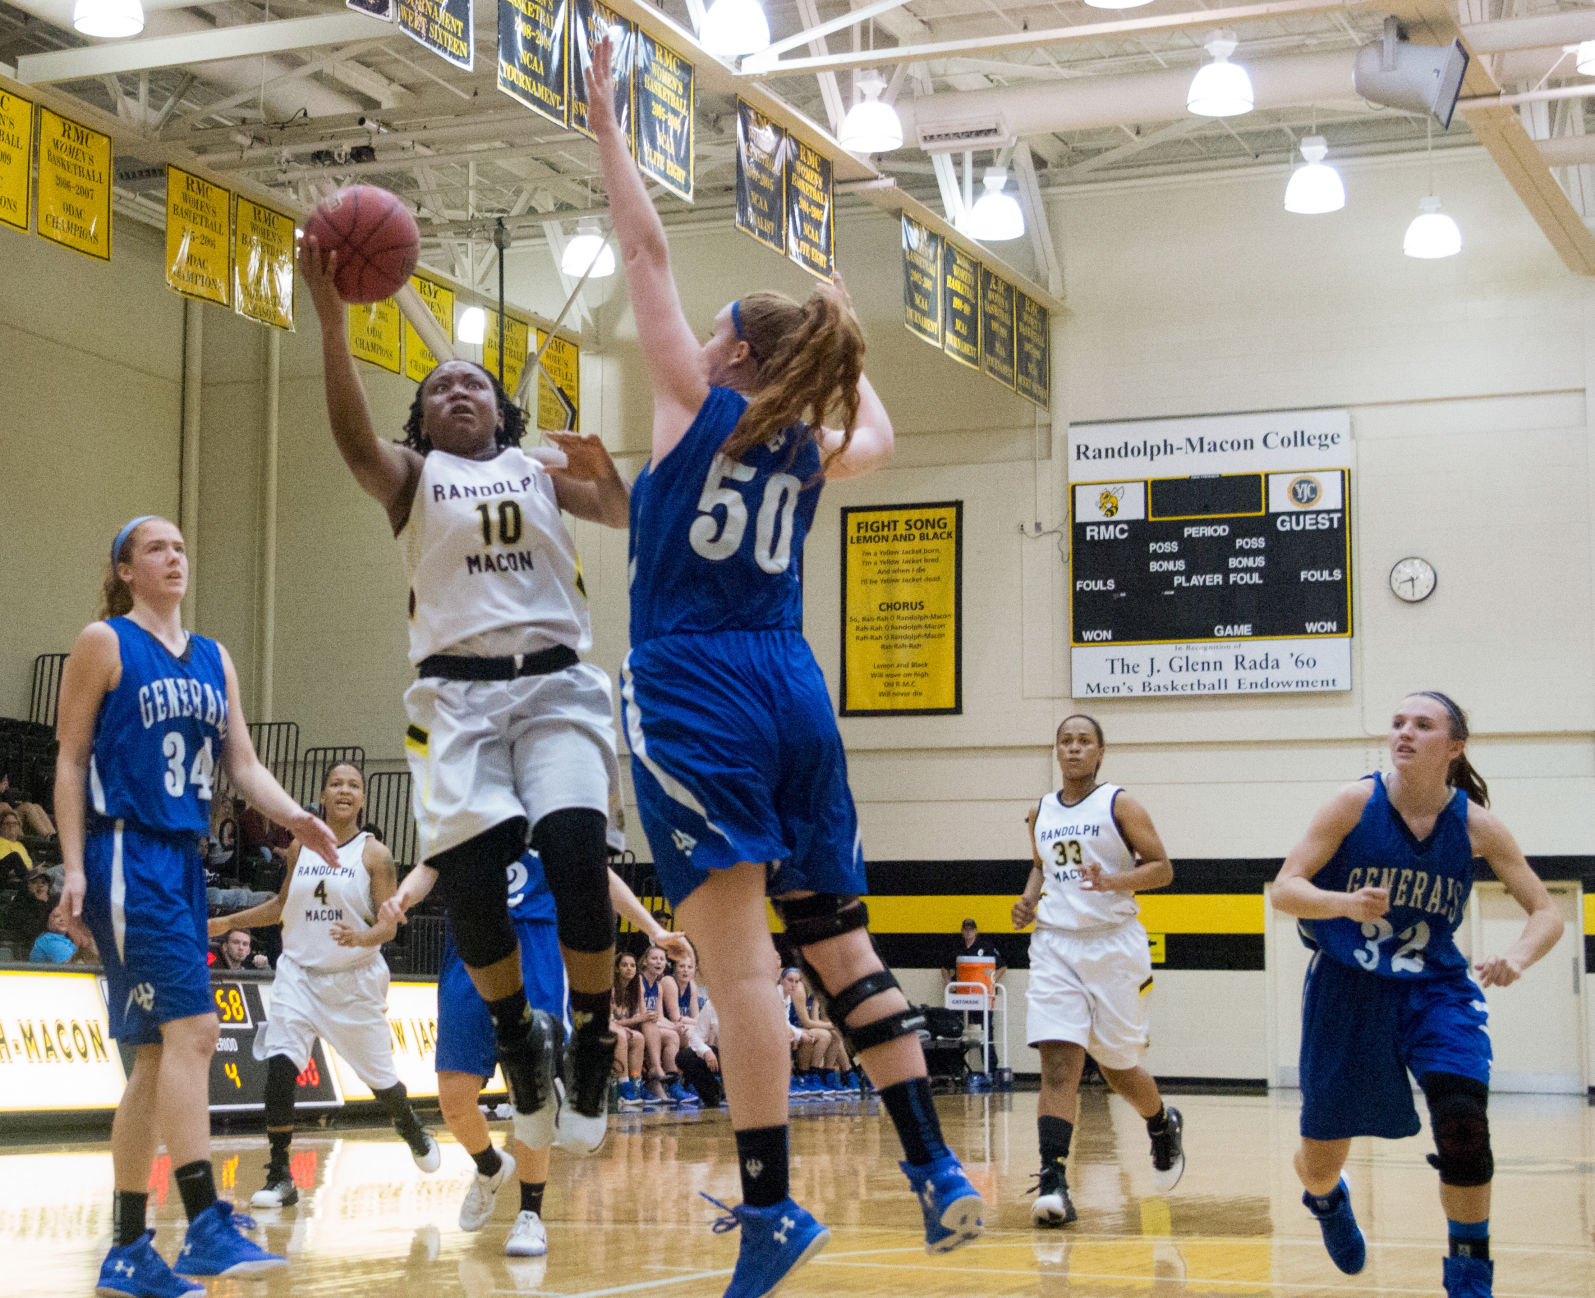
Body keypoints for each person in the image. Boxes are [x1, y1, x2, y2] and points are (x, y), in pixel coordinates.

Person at [586, 36, 981, 1295]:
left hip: (697, 683)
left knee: (740, 964)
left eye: (711, 337)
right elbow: (877, 421)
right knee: (839, 945)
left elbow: (643, 252)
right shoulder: (810, 448)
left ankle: (769, 1209)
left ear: (735, 360)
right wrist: (841, 323)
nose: (691, 343)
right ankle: (934, 1165)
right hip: (793, 686)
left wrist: (603, 118)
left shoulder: (692, 409)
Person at [299, 235, 632, 1161]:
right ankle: (519, 1040)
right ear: (423, 417)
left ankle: (595, 1037)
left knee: (572, 848)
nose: (458, 389)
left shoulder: (541, 476)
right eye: (439, 385)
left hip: (558, 685)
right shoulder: (410, 478)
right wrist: (332, 323)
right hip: (456, 702)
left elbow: (631, 515)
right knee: (474, 886)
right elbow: (352, 440)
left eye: (474, 383)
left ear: (501, 410)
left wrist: (605, 473)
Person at [53, 515, 340, 1295]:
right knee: (197, 1029)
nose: (174, 557)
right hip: (125, 850)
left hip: (181, 860)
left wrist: (296, 818)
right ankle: (205, 1220)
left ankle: (127, 1248)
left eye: (181, 547)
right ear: (124, 569)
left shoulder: (214, 658)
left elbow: (241, 765)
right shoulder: (104, 642)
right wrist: (74, 867)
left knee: (152, 1060)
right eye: (156, 548)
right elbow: (70, 760)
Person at [1271, 692, 1564, 1298]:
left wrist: (1516, 957)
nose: (1404, 733)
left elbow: (1546, 911)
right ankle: (1328, 1201)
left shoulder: (1476, 824)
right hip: (1348, 989)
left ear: (1453, 747)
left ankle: (1469, 1271)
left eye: (1422, 725)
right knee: (1321, 1159)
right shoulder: (1355, 802)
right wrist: (1342, 904)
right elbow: (1286, 889)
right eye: (1398, 723)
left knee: (1464, 1125)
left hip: (1436, 991)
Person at [406, 848, 689, 1258]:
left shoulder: (548, 800)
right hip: (470, 942)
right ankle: (489, 1166)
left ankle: (530, 1215)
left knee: (532, 1090)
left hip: (535, 942)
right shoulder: (465, 800)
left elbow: (598, 873)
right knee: (453, 1102)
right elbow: (429, 865)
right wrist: (398, 901)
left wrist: (651, 929)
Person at [208, 762, 440, 1209]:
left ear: (362, 799)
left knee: (382, 1083)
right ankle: (280, 1174)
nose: (344, 790)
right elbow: (280, 906)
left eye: (353, 785)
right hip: (297, 973)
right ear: (324, 793)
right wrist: (228, 921)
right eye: (336, 783)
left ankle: (409, 1124)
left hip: (353, 981)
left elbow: (390, 926)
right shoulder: (300, 847)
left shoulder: (376, 855)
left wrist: (365, 936)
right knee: (280, 1066)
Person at [1013, 714, 1185, 1228]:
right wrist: (1027, 900)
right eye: (1064, 740)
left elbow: (1162, 867)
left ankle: (1160, 1122)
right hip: (1055, 945)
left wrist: (1113, 881)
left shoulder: (1120, 804)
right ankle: (1053, 1181)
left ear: (1100, 752)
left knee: (1116, 1066)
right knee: (1059, 1064)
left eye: (1083, 741)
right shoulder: (1038, 811)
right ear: (1056, 750)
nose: (1072, 748)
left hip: (1113, 947)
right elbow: (1043, 864)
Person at [941, 918, 1005, 1075]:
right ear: (962, 931)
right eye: (965, 929)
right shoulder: (957, 947)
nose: (968, 932)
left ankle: (991, 1069)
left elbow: (1002, 966)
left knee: (986, 1030)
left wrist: (992, 982)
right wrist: (950, 984)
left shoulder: (986, 946)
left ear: (976, 931)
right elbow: (944, 967)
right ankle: (956, 1069)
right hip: (962, 996)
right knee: (957, 1030)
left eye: (971, 929)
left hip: (981, 996)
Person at [611, 951, 650, 1108]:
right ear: (616, 968)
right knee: (621, 1036)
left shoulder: (634, 989)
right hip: (602, 1028)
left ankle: (636, 1083)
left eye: (633, 965)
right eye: (624, 965)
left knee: (638, 1037)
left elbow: (643, 1014)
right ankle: (623, 1085)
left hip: (621, 1028)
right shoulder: (611, 987)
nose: (629, 968)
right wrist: (632, 1022)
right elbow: (608, 1020)